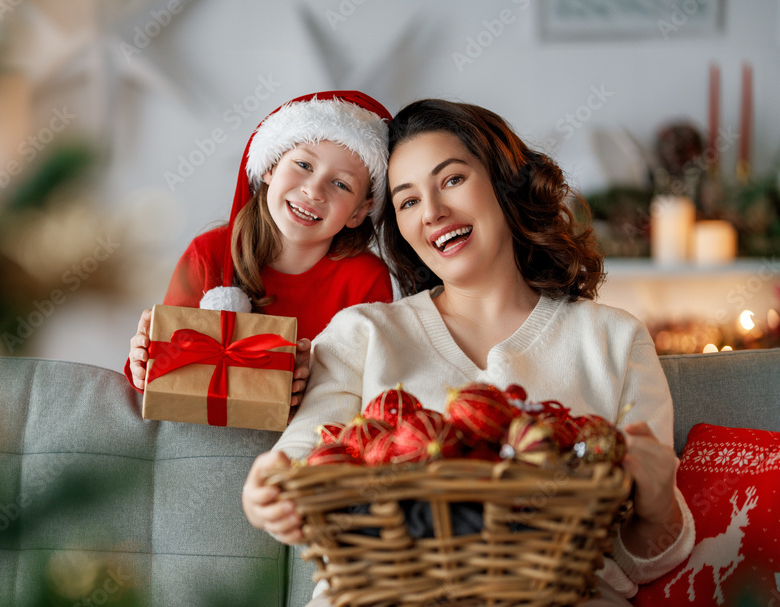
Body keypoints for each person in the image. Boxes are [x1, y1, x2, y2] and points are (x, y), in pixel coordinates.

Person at [242, 98, 695, 606]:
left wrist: (657, 506)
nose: (433, 212)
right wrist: (269, 495)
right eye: (408, 201)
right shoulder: (363, 334)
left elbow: (647, 560)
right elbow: (298, 469)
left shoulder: (613, 339)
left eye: (452, 180)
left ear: (505, 183)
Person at [125, 91, 395, 402]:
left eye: (341, 184)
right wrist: (142, 362)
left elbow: (368, 389)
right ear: (270, 167)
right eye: (304, 164)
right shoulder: (209, 254)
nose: (313, 190)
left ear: (359, 212)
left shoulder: (366, 280)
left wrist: (312, 385)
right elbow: (161, 379)